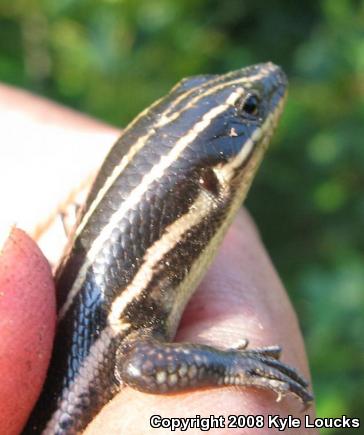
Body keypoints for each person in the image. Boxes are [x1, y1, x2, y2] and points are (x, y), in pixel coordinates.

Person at [0, 83, 316, 434]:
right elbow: (143, 365)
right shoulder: (129, 312)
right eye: (251, 108)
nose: (271, 77)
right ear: (209, 180)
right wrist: (230, 366)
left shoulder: (106, 276)